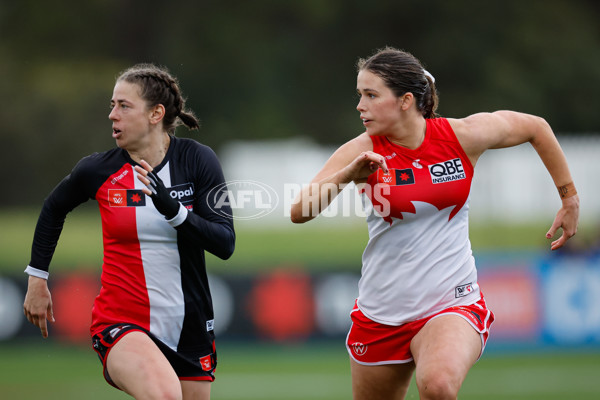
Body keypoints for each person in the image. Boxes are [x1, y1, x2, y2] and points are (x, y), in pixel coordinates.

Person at [290, 47, 579, 400]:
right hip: (381, 311)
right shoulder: (360, 150)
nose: (359, 106)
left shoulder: (461, 136)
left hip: (451, 301)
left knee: (439, 385)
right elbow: (298, 211)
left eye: (370, 95)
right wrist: (348, 174)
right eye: (359, 95)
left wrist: (569, 197)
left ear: (405, 100)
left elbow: (536, 127)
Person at [23, 63, 235, 400]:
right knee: (166, 396)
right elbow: (53, 209)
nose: (113, 115)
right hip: (122, 322)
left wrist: (175, 212)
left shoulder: (198, 161)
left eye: (124, 106)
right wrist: (37, 278)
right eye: (112, 105)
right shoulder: (98, 169)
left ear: (155, 114)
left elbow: (225, 243)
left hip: (190, 326)